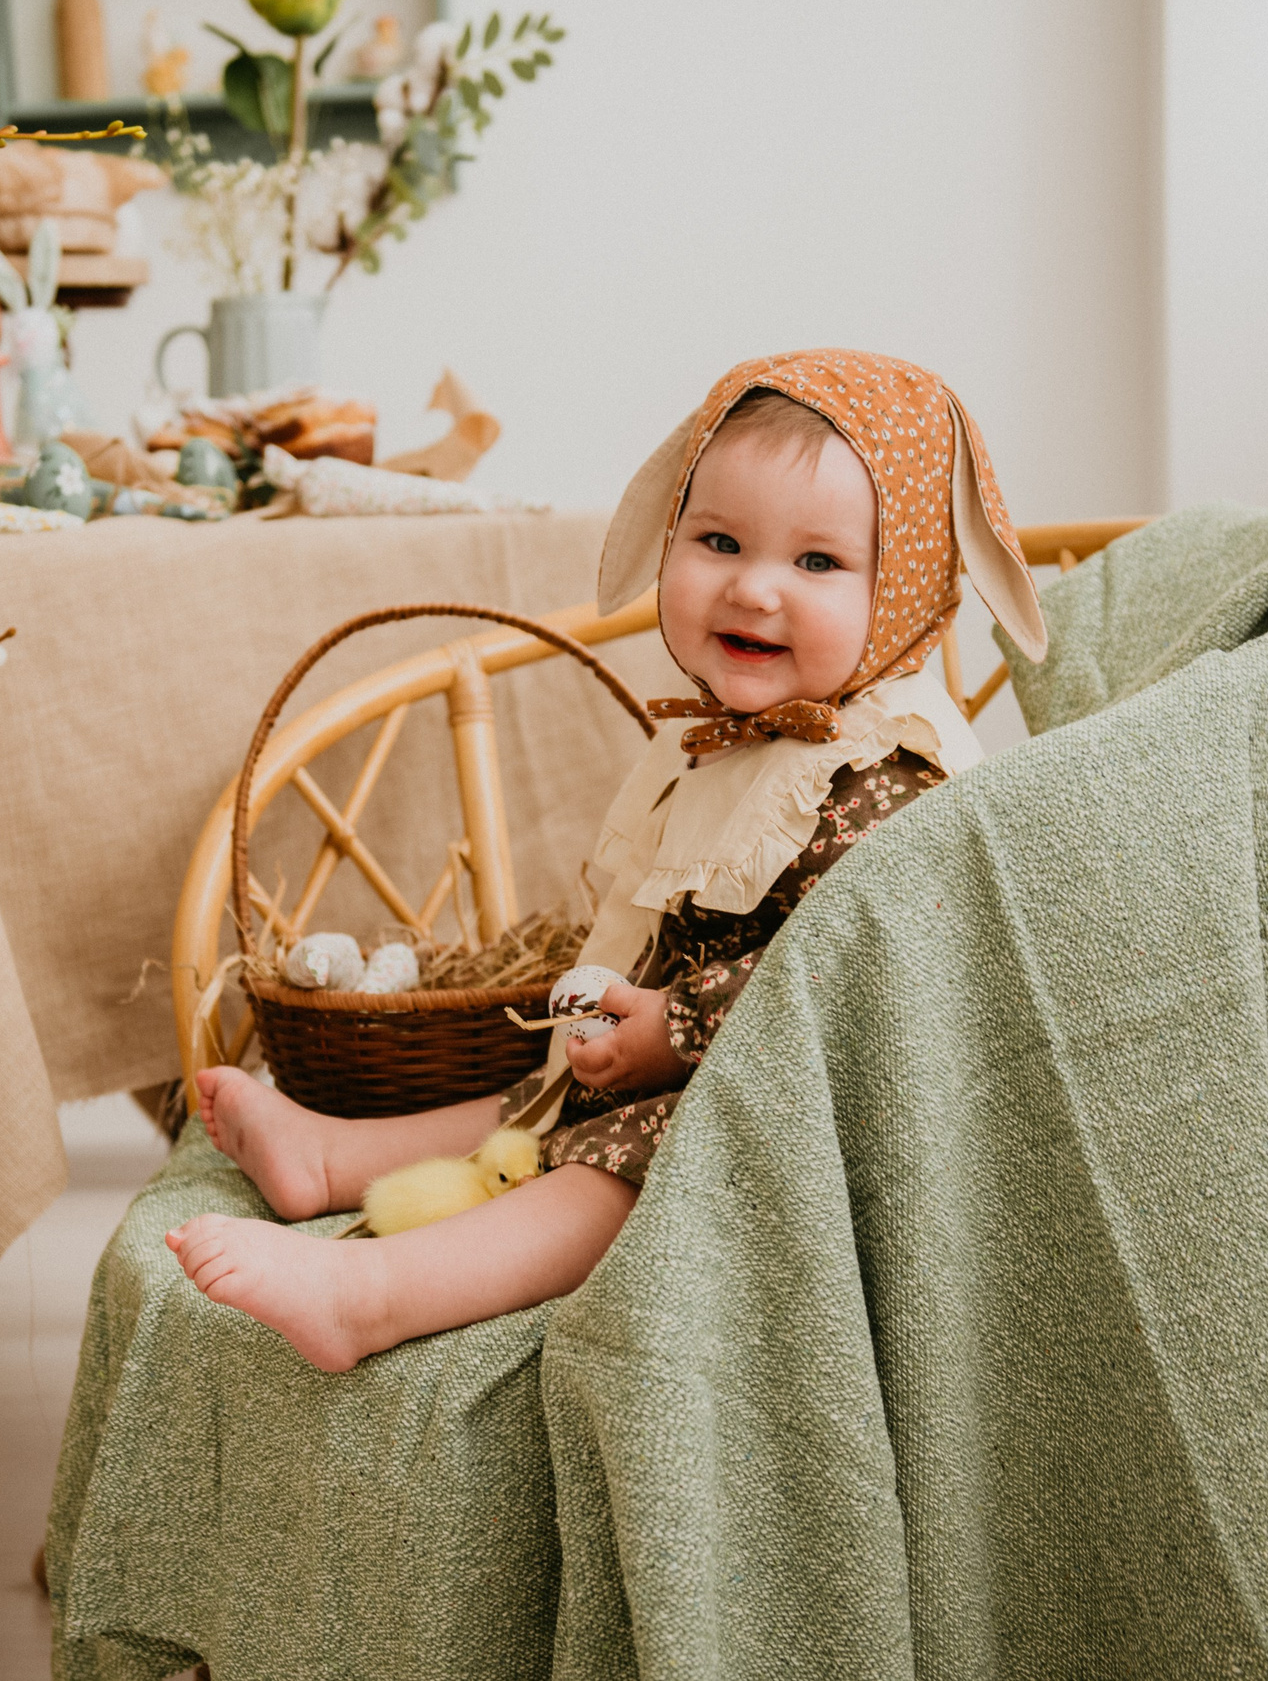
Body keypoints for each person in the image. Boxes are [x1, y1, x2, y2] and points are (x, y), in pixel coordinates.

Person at [166, 349, 1050, 1371]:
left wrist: (673, 1032)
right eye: (717, 540)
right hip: (694, 1061)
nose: (753, 589)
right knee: (547, 1088)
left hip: (841, 1125)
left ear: (905, 592)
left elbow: (847, 981)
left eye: (817, 563)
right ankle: (333, 1157)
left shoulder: (887, 773)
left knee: (635, 1154)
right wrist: (622, 1018)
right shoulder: (732, 741)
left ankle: (372, 1296)